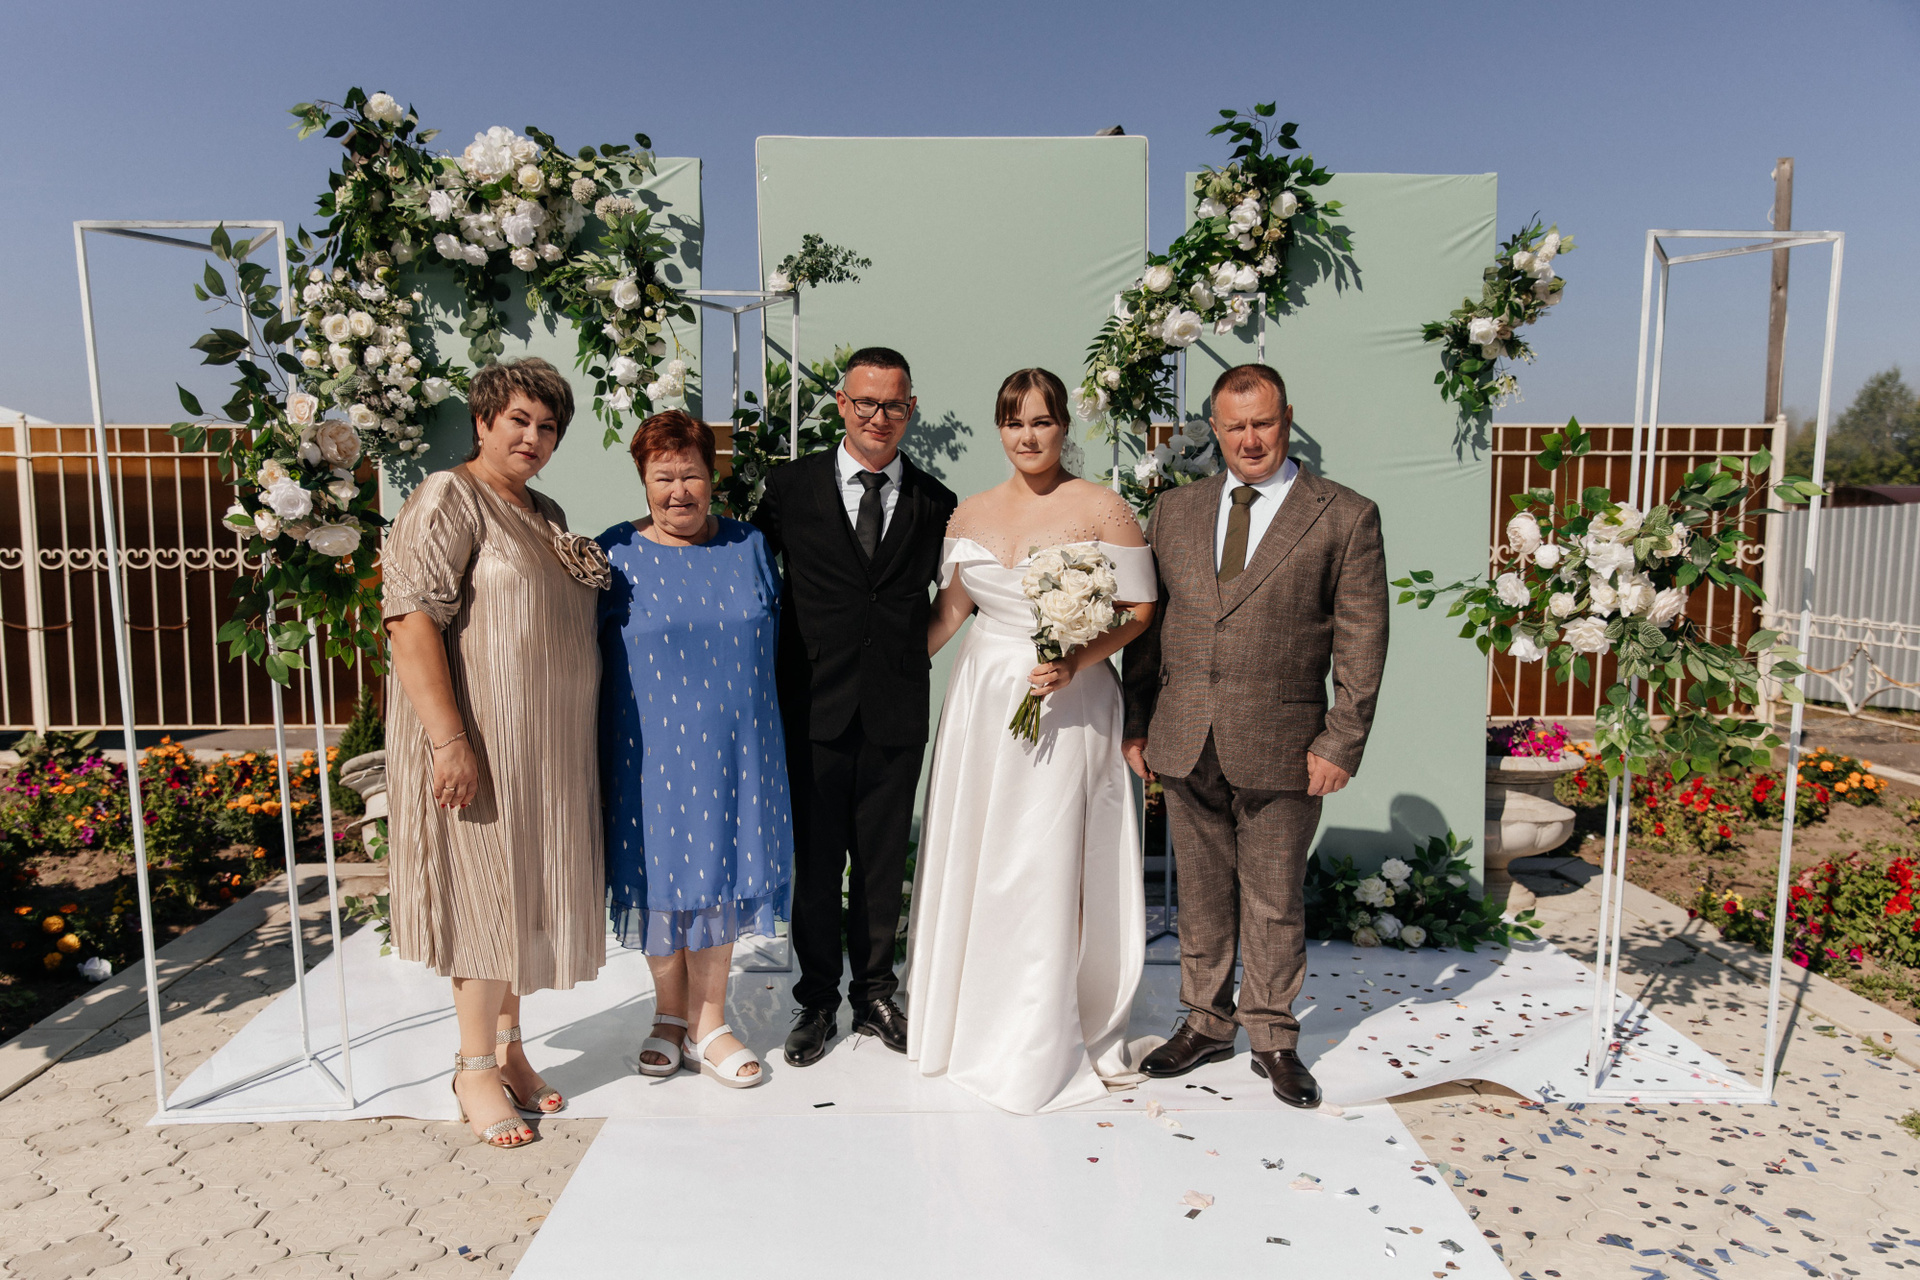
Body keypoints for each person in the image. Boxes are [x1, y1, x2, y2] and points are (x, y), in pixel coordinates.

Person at [1121, 363, 1388, 1108]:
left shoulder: (1343, 515)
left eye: (1263, 423)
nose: (1249, 439)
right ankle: (1206, 1023)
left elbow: (1363, 639)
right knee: (1201, 893)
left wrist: (1341, 740)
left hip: (1286, 741)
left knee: (1273, 897)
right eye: (1234, 426)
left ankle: (1272, 1035)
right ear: (1214, 427)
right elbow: (1148, 628)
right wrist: (1137, 721)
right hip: (1184, 734)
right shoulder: (1175, 511)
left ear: (1287, 419)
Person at [909, 368, 1156, 1114]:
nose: (1028, 436)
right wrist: (883, 678)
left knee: (1047, 855)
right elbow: (951, 612)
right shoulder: (969, 512)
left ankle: (1044, 1028)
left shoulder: (1103, 508)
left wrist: (1077, 659)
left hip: (1071, 698)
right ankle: (974, 1017)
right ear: (1000, 429)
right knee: (983, 850)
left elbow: (1140, 609)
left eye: (1042, 421)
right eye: (1015, 422)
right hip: (985, 699)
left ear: (1063, 427)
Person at [384, 357, 612, 1147]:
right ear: (483, 421)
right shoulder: (450, 496)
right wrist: (449, 740)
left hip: (543, 750)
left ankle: (511, 1052)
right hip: (480, 740)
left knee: (520, 897)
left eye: (548, 427)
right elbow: (410, 618)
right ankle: (473, 1068)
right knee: (484, 900)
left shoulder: (545, 511)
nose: (533, 438)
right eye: (518, 420)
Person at [751, 347, 958, 1067]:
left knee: (879, 861)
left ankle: (874, 994)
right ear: (842, 404)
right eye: (865, 402)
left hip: (895, 711)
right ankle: (815, 1000)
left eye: (893, 405)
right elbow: (752, 581)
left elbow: (957, 596)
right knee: (815, 865)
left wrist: (910, 657)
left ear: (910, 410)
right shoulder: (789, 487)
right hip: (811, 707)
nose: (878, 417)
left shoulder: (936, 502)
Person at [597, 410, 792, 1089]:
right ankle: (668, 1016)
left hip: (736, 749)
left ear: (713, 477)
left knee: (718, 872)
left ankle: (709, 1022)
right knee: (657, 875)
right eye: (663, 477)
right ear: (643, 480)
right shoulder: (614, 552)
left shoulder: (749, 546)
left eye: (692, 475)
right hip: (646, 751)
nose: (679, 490)